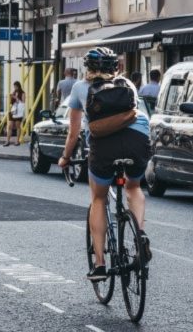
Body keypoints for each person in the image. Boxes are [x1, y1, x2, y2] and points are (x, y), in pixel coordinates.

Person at [58, 47, 152, 281]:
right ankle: (140, 236)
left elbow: (74, 133)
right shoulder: (128, 84)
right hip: (138, 138)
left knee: (99, 199)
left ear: (87, 68)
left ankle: (100, 264)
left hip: (104, 145)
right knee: (133, 187)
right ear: (116, 68)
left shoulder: (80, 88)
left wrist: (65, 158)